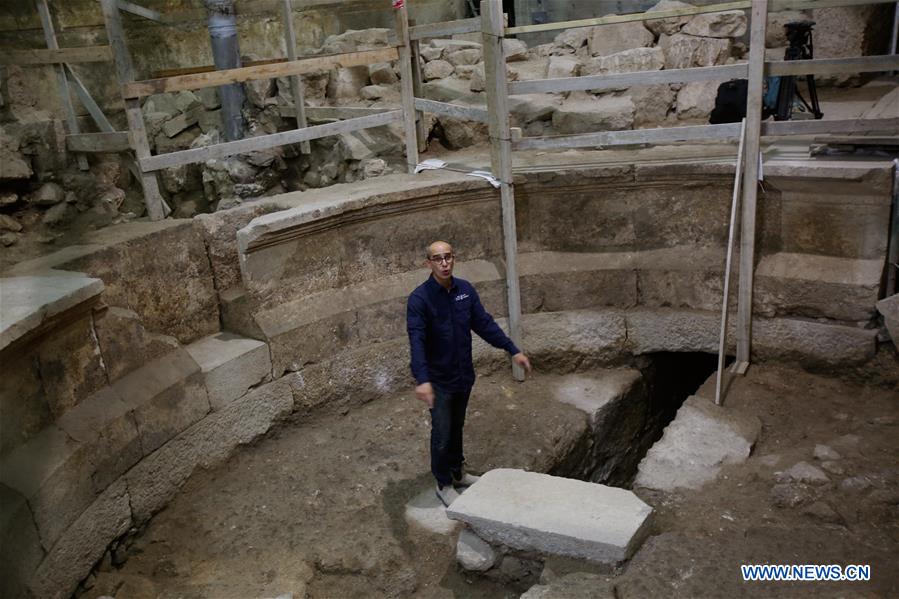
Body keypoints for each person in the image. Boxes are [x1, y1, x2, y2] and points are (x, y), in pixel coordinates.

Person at [406, 240, 532, 507]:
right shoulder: (420, 299)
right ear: (429, 263)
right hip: (438, 381)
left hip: (463, 375)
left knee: (457, 426)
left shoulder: (465, 290)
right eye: (437, 258)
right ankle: (443, 482)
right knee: (442, 432)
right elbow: (416, 341)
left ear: (454, 259)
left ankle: (457, 472)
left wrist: (512, 350)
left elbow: (483, 324)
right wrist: (423, 380)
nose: (444, 263)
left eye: (448, 257)